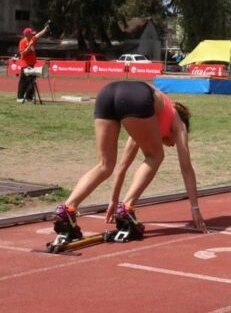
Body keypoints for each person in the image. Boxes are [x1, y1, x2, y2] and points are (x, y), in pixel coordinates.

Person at [52, 81, 207, 243]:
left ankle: (67, 209)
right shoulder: (177, 122)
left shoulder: (146, 122)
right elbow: (186, 167)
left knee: (104, 165)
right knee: (156, 156)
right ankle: (126, 208)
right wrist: (194, 208)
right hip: (136, 96)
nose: (171, 144)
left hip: (107, 93)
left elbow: (122, 166)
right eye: (172, 141)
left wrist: (113, 200)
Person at [17, 23, 50, 103]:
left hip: (32, 64)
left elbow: (38, 35)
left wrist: (45, 29)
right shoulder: (22, 42)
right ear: (26, 34)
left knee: (32, 81)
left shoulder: (32, 38)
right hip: (25, 64)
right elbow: (22, 54)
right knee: (24, 81)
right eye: (30, 34)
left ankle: (29, 97)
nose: (32, 35)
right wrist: (29, 46)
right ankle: (20, 97)